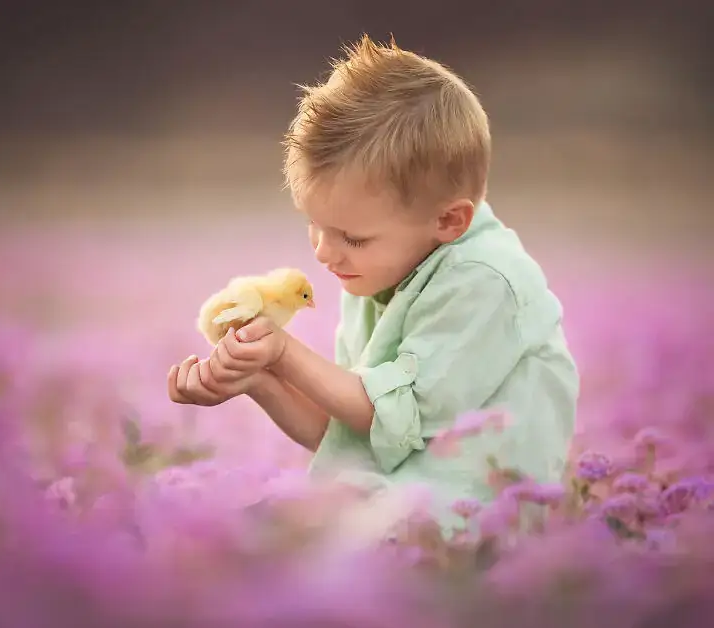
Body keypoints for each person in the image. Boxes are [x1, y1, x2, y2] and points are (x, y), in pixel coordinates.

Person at [167, 34, 579, 525]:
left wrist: (282, 351)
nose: (322, 251)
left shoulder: (482, 281)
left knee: (268, 535)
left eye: (352, 237)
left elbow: (384, 417)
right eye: (314, 225)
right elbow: (352, 430)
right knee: (234, 530)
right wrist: (259, 380)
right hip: (393, 496)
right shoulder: (379, 270)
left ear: (449, 221)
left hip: (474, 517)